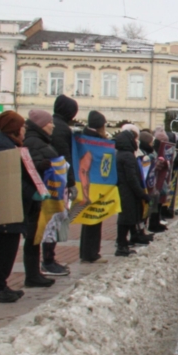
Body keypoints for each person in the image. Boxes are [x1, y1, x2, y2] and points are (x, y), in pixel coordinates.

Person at [0, 111, 29, 303]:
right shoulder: (6, 146)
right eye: (22, 126)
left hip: (5, 203)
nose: (24, 130)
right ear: (15, 128)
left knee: (6, 246)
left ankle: (0, 285)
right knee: (6, 246)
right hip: (8, 204)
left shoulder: (3, 143)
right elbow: (11, 176)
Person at [22, 110, 60, 288]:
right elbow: (31, 168)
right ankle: (32, 275)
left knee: (36, 234)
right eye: (49, 122)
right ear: (41, 124)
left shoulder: (40, 141)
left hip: (40, 194)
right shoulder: (33, 142)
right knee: (33, 235)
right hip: (35, 194)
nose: (52, 125)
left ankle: (34, 273)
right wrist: (43, 166)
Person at [41, 95, 78, 276]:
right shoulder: (61, 128)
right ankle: (48, 260)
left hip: (52, 178)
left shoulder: (55, 124)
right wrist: (71, 182)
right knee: (54, 220)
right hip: (57, 181)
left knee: (52, 220)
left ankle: (49, 258)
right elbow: (65, 158)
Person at [78, 111, 109, 263]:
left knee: (89, 219)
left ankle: (87, 251)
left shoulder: (84, 137)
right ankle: (91, 253)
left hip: (87, 181)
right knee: (94, 218)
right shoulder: (95, 140)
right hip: (94, 182)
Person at [114, 129, 148, 256]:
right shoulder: (127, 156)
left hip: (124, 189)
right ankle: (121, 245)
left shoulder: (122, 153)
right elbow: (131, 177)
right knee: (126, 218)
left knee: (127, 217)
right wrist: (141, 193)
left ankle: (123, 242)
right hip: (127, 191)